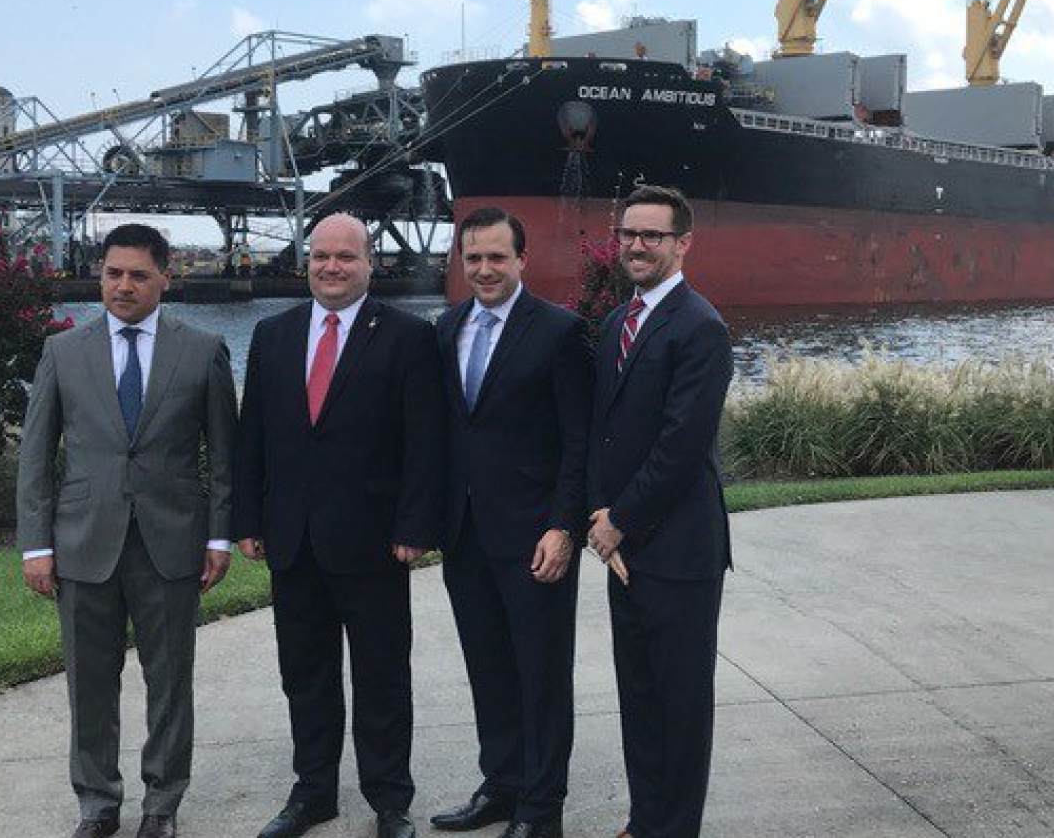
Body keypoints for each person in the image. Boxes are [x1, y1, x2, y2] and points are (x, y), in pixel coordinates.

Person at [16, 223, 236, 838]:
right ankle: (98, 802)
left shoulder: (203, 349)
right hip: (83, 542)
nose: (124, 285)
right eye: (114, 273)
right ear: (101, 276)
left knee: (169, 681)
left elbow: (223, 457)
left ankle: (162, 803)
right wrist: (36, 545)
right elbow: (36, 457)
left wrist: (219, 538)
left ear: (166, 278)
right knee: (89, 682)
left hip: (172, 543)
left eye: (139, 274)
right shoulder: (62, 352)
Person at [233, 213, 445, 838]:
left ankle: (388, 799)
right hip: (292, 538)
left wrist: (415, 524)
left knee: (382, 676)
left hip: (376, 539)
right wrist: (247, 516)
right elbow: (254, 438)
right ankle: (313, 793)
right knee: (305, 673)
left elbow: (425, 443)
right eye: (321, 256)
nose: (331, 267)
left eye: (345, 257)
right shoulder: (273, 335)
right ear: (307, 262)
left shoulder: (408, 336)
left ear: (368, 263)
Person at [431, 208, 592, 838]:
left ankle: (541, 808)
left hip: (535, 538)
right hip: (465, 534)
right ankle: (501, 785)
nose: (485, 269)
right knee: (489, 668)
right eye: (474, 258)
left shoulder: (559, 333)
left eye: (497, 257)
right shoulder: (446, 329)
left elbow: (578, 442)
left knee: (542, 673)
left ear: (522, 261)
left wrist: (564, 527)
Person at [585, 185, 734, 838]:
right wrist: (601, 515)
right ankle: (645, 820)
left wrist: (618, 520)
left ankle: (674, 829)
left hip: (679, 551)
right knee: (640, 698)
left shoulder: (701, 326)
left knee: (679, 704)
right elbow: (606, 431)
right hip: (626, 550)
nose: (638, 246)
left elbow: (680, 447)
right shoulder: (620, 321)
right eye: (629, 234)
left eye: (652, 235)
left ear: (683, 243)